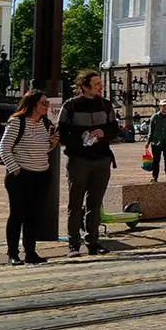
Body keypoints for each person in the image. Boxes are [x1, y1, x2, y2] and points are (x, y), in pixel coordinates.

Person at [57, 69, 120, 255]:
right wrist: (81, 138)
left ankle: (93, 242)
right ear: (84, 87)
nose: (100, 87)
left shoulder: (106, 105)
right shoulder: (70, 106)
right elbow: (61, 133)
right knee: (75, 204)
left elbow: (114, 129)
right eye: (96, 84)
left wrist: (104, 133)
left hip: (102, 158)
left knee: (95, 203)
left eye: (100, 84)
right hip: (79, 159)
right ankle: (73, 244)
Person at [0, 90, 53, 265]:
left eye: (47, 103)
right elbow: (4, 148)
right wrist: (15, 170)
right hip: (21, 175)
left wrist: (52, 143)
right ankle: (13, 254)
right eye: (44, 103)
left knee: (33, 216)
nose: (47, 106)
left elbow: (43, 149)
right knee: (17, 215)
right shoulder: (17, 122)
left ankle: (31, 252)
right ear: (33, 104)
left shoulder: (44, 123)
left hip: (41, 174)